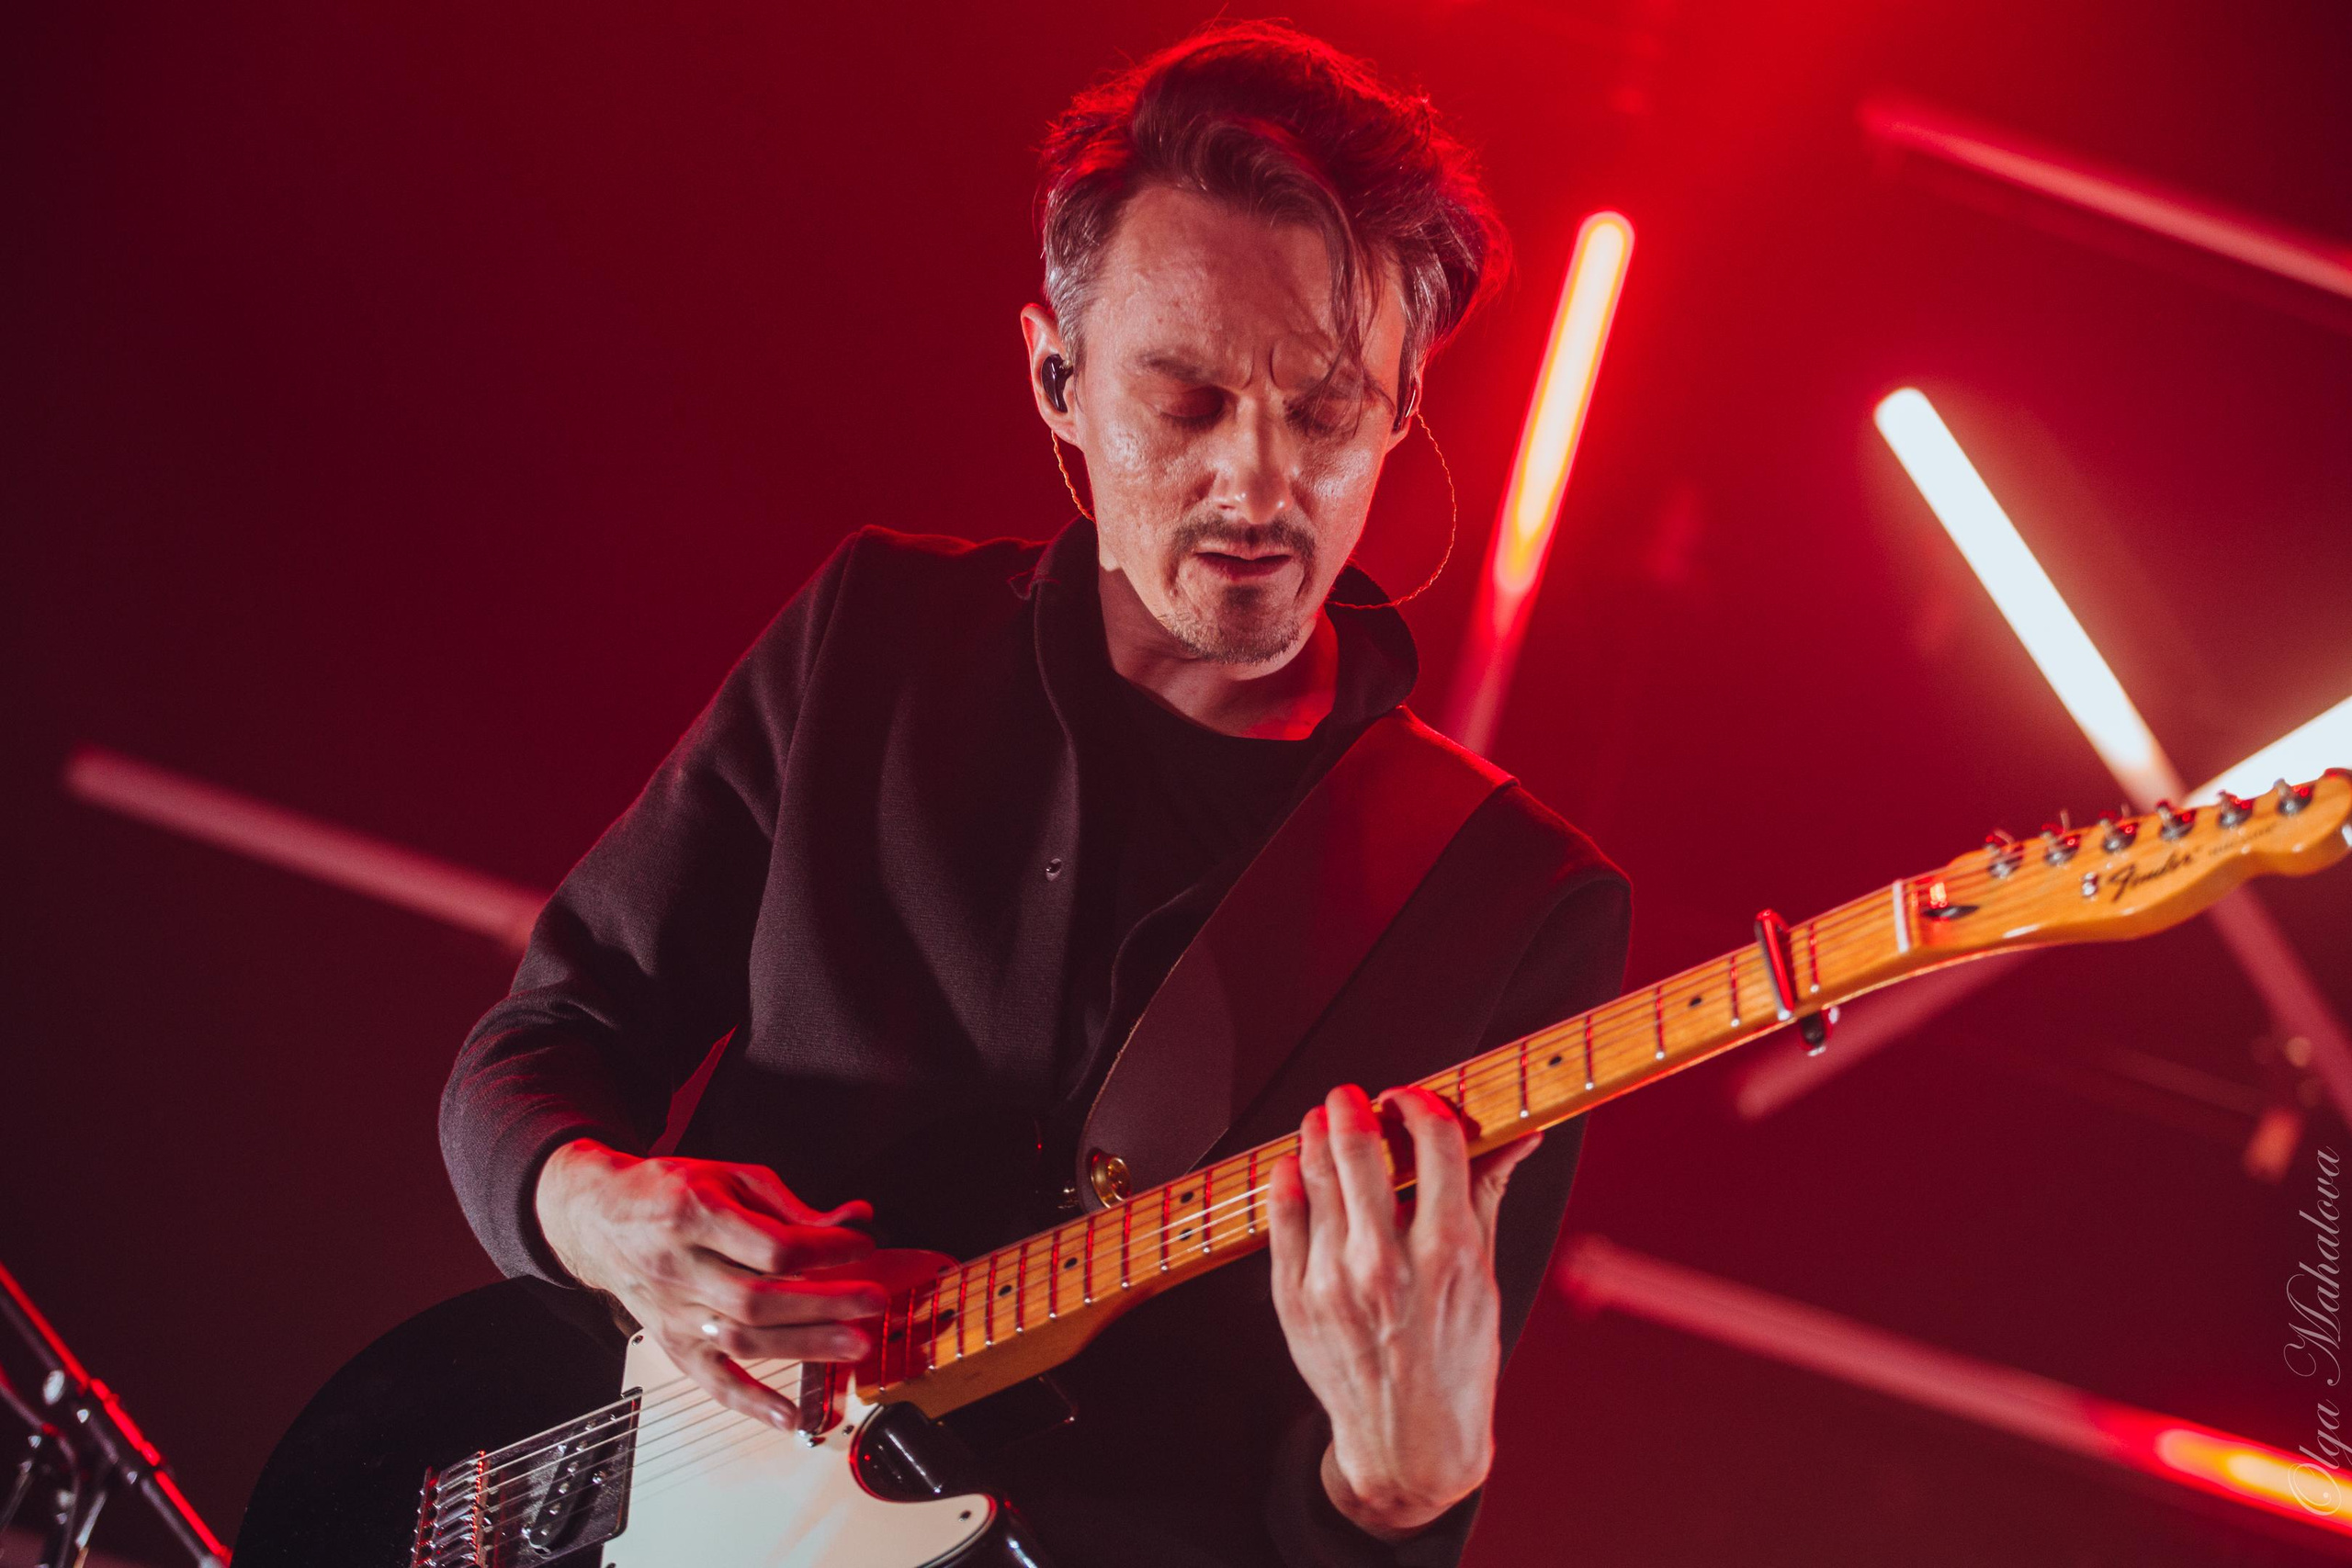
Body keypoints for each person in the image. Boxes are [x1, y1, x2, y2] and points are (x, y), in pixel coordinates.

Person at [441, 20, 1631, 1566]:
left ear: (1404, 402)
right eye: (1186, 400)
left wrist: (1401, 1496)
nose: (1259, 484)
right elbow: (543, 1044)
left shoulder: (1511, 907)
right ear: (1055, 378)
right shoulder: (877, 637)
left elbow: (1329, 1532)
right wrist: (595, 1212)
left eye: (1328, 411)